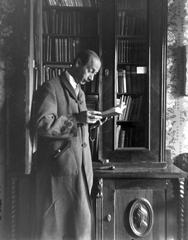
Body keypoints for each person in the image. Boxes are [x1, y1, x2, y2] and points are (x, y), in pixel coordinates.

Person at [34, 50, 102, 240]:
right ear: (77, 63)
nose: (91, 77)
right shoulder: (51, 87)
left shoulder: (79, 91)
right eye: (90, 71)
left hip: (81, 168)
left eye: (94, 73)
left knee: (81, 228)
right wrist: (78, 118)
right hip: (61, 170)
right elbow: (42, 124)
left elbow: (77, 124)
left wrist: (91, 121)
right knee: (55, 229)